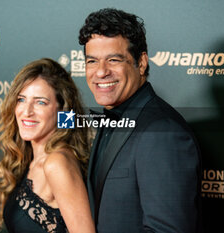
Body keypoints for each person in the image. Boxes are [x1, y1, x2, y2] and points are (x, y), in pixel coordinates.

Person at [78, 8, 202, 233]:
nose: (101, 72)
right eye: (92, 61)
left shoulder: (162, 133)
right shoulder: (111, 118)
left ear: (142, 62)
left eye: (114, 60)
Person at [0, 58, 96, 233]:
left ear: (62, 109)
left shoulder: (57, 163)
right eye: (21, 99)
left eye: (40, 102)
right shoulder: (31, 158)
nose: (27, 111)